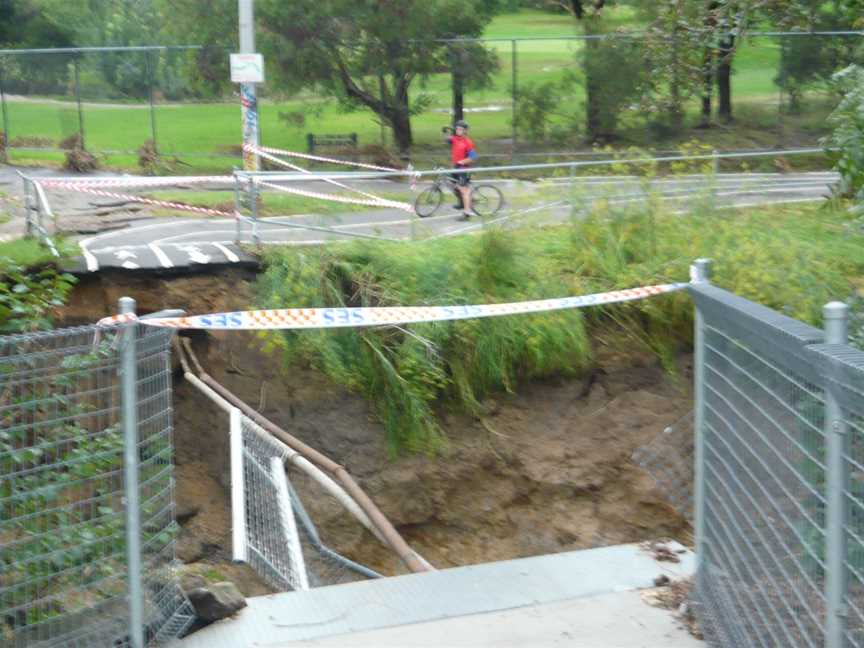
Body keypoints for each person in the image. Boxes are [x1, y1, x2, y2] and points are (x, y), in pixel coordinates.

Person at [443, 120, 478, 220]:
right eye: (457, 129)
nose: (458, 130)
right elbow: (447, 139)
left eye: (460, 129)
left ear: (465, 131)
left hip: (464, 169)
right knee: (450, 183)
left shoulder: (468, 142)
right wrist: (446, 132)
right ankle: (461, 201)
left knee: (464, 190)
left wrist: (462, 162)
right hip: (456, 168)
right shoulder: (455, 139)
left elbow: (473, 157)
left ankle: (467, 213)